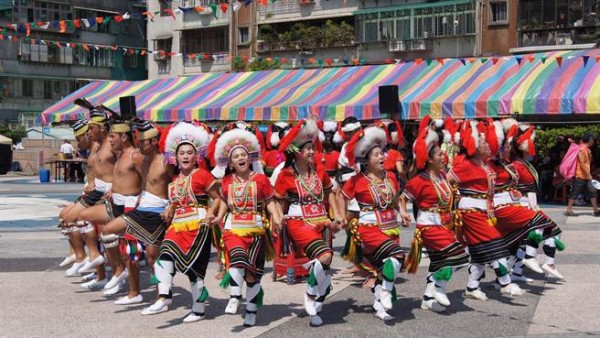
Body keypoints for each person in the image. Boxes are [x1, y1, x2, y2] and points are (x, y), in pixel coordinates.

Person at [141, 122, 222, 323]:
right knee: (164, 254)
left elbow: (218, 197)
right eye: (181, 153)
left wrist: (211, 211)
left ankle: (198, 309)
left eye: (189, 153)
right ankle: (165, 296)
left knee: (195, 270)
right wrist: (171, 207)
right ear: (175, 157)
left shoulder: (202, 175)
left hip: (199, 225)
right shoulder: (175, 180)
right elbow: (177, 201)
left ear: (196, 157)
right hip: (177, 225)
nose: (185, 156)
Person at [274, 118, 344, 327]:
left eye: (312, 148)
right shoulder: (286, 174)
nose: (312, 152)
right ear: (296, 151)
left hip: (322, 221)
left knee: (326, 265)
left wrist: (337, 215)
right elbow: (276, 199)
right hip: (298, 221)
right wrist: (278, 219)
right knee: (325, 255)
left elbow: (331, 192)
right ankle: (311, 294)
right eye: (307, 149)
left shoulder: (319, 171)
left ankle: (316, 305)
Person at [447, 120, 524, 300]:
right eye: (483, 142)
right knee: (495, 243)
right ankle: (505, 282)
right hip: (471, 211)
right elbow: (446, 182)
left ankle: (472, 286)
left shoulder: (486, 164)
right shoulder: (465, 164)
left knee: (478, 252)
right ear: (474, 145)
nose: (488, 145)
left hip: (485, 211)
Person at [213, 128, 282, 327]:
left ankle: (251, 310)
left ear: (250, 157)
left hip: (256, 230)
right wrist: (218, 216)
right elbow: (224, 201)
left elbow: (270, 202)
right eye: (236, 156)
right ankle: (235, 296)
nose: (241, 158)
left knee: (253, 276)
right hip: (233, 228)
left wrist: (277, 218)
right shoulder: (226, 181)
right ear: (231, 162)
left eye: (243, 154)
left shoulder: (260, 180)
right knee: (237, 258)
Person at [99, 120, 174, 304]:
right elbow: (141, 180)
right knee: (107, 230)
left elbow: (177, 184)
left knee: (152, 258)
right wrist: (140, 193)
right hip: (141, 210)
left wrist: (172, 206)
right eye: (138, 142)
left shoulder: (166, 161)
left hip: (157, 213)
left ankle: (162, 298)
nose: (139, 145)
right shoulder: (144, 158)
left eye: (142, 142)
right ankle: (120, 270)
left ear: (154, 141)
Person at [399, 123, 469, 313]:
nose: (443, 157)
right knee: (460, 257)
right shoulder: (419, 180)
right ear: (429, 159)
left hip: (445, 225)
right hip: (428, 226)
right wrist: (404, 213)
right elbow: (403, 198)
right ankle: (438, 288)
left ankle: (429, 299)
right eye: (439, 154)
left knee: (439, 262)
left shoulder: (442, 177)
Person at [340, 124, 406, 321]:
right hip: (369, 229)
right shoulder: (357, 180)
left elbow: (395, 200)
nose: (382, 157)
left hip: (391, 228)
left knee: (388, 266)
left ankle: (379, 304)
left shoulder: (392, 176)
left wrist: (402, 212)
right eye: (376, 154)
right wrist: (342, 216)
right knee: (398, 255)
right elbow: (339, 196)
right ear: (366, 161)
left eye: (382, 153)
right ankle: (385, 292)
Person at [78, 117, 144, 296]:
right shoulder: (119, 155)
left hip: (130, 207)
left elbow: (145, 180)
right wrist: (111, 188)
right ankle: (118, 274)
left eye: (113, 136)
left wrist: (140, 198)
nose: (110, 140)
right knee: (83, 217)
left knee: (129, 251)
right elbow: (119, 178)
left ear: (123, 137)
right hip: (115, 203)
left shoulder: (135, 155)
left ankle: (133, 290)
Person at [60, 110, 115, 289]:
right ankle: (90, 263)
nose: (89, 133)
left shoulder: (110, 145)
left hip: (107, 193)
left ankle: (90, 259)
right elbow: (95, 172)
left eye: (91, 129)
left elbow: (122, 169)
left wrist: (114, 187)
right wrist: (91, 182)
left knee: (77, 218)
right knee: (67, 216)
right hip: (96, 191)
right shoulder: (98, 147)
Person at [509, 122, 565, 281]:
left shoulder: (525, 163)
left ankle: (519, 271)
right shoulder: (516, 165)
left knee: (552, 232)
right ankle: (531, 260)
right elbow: (507, 184)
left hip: (531, 203)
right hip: (521, 204)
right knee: (544, 230)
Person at [565, 132, 599, 216]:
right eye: (592, 139)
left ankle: (596, 210)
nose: (593, 141)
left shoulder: (587, 150)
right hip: (580, 175)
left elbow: (587, 163)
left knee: (592, 191)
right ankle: (568, 210)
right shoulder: (581, 149)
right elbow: (582, 164)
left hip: (586, 176)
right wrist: (589, 175)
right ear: (589, 140)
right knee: (575, 192)